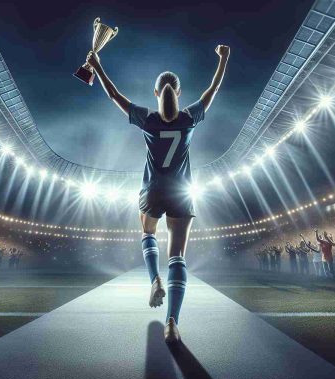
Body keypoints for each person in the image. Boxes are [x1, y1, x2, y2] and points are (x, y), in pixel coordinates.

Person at [86, 42, 230, 343]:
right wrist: (223, 58)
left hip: (152, 191)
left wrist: (97, 66)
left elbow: (113, 95)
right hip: (181, 193)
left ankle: (154, 280)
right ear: (178, 93)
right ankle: (172, 324)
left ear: (156, 93)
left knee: (148, 233)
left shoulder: (148, 119)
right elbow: (213, 89)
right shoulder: (189, 118)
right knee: (177, 256)